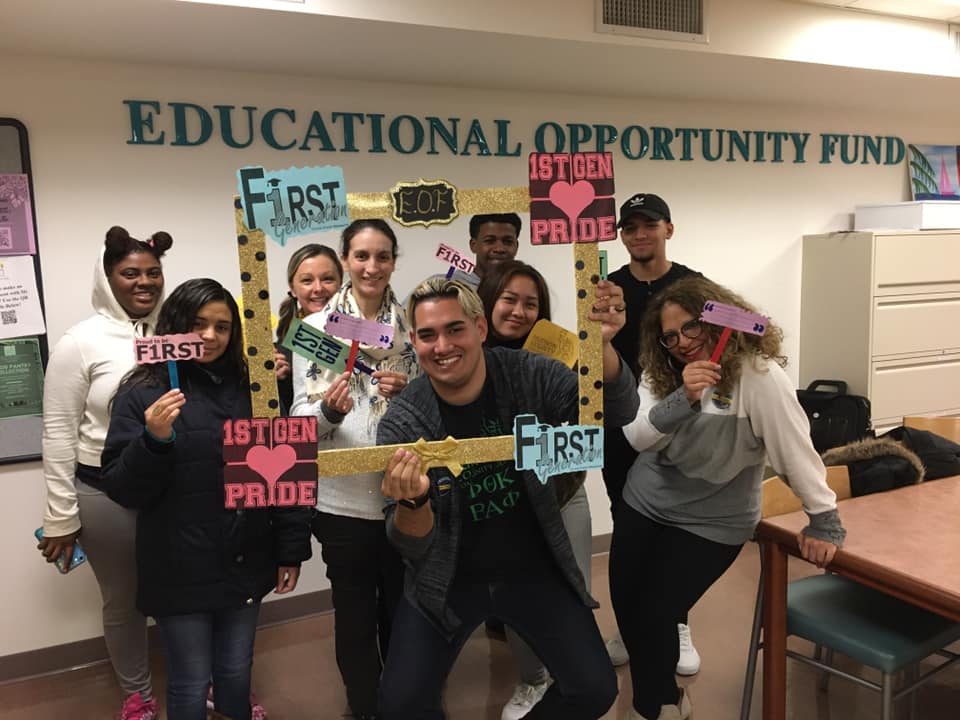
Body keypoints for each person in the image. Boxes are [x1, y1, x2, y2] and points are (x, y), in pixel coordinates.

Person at [376, 277, 639, 720]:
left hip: (533, 568)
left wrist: (604, 346)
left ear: (480, 328)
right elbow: (413, 545)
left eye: (455, 329)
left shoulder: (529, 374)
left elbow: (616, 411)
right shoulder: (403, 422)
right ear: (413, 342)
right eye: (426, 335)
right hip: (446, 581)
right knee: (399, 705)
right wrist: (412, 503)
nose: (442, 346)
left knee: (594, 688)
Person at [608, 276, 846, 720]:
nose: (681, 342)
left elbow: (794, 451)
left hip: (714, 520)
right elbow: (638, 437)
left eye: (692, 327)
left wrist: (823, 517)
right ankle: (664, 698)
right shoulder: (661, 372)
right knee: (627, 604)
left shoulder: (759, 377)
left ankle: (652, 707)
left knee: (657, 611)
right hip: (646, 502)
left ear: (716, 323)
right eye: (670, 335)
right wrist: (684, 396)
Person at [99, 278, 312, 720]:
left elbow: (283, 474)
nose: (210, 337)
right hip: (178, 565)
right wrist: (153, 440)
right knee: (190, 682)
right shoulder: (143, 391)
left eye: (222, 326)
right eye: (198, 324)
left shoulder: (256, 388)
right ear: (175, 325)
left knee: (235, 673)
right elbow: (122, 487)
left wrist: (291, 550)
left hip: (244, 559)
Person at [38, 226, 171, 720]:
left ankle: (198, 679)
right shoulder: (80, 342)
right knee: (125, 600)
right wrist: (60, 517)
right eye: (130, 273)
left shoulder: (177, 333)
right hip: (103, 493)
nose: (144, 282)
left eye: (153, 272)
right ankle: (137, 695)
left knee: (184, 585)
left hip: (170, 486)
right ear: (106, 277)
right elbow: (57, 434)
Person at [290, 219, 418, 720]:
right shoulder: (318, 330)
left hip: (404, 493)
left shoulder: (411, 326)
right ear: (345, 258)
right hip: (341, 503)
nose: (371, 266)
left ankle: (406, 701)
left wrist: (410, 393)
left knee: (405, 614)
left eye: (382, 256)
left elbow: (436, 405)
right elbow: (298, 420)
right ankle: (364, 706)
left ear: (393, 261)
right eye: (361, 255)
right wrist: (329, 412)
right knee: (356, 618)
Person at [478, 261, 592, 719]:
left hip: (562, 493)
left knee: (572, 593)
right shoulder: (464, 351)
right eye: (509, 299)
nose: (520, 311)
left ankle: (574, 678)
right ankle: (531, 680)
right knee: (517, 599)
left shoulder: (560, 353)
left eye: (531, 303)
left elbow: (592, 423)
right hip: (502, 500)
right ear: (488, 301)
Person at [604, 193, 704, 674]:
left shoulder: (694, 286)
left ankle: (673, 623)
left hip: (679, 422)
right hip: (620, 424)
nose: (639, 234)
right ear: (621, 235)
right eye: (630, 227)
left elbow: (739, 333)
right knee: (627, 526)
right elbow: (590, 352)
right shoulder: (605, 289)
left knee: (671, 528)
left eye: (649, 225)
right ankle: (630, 625)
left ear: (669, 228)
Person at [274, 243, 343, 411]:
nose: (318, 288)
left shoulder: (366, 337)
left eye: (327, 279)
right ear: (293, 289)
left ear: (341, 283)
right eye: (307, 281)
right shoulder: (279, 355)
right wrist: (272, 385)